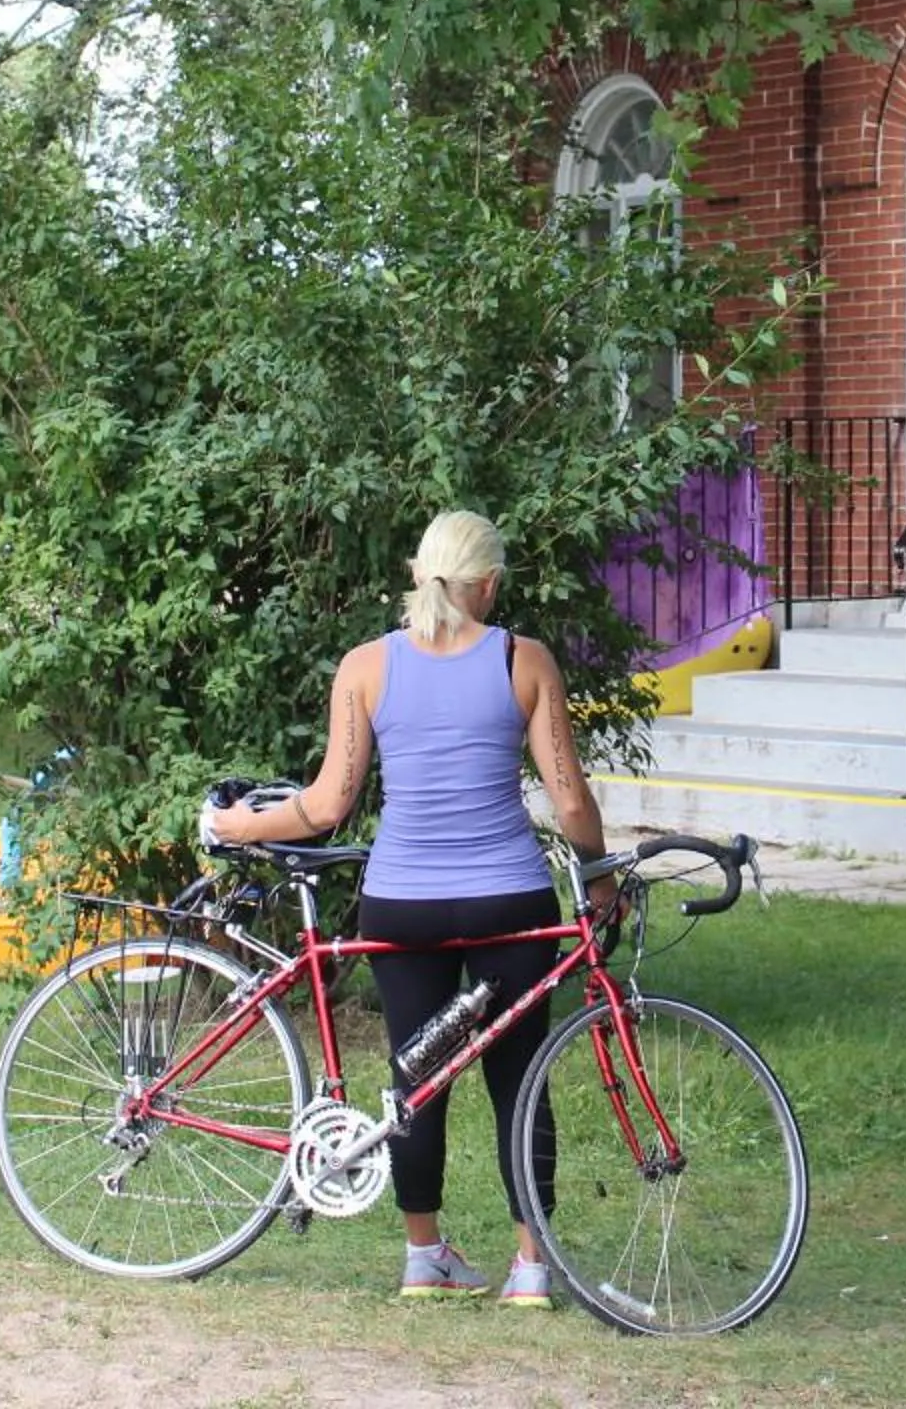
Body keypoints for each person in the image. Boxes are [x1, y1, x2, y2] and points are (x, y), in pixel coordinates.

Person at [200, 510, 611, 1308]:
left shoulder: (366, 666)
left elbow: (325, 807)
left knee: (415, 1077)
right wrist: (597, 877)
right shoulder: (522, 661)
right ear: (490, 585)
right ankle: (531, 1264)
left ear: (419, 575)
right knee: (520, 1079)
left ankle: (424, 1255)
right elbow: (569, 799)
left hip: (403, 902)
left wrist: (238, 824)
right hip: (510, 901)